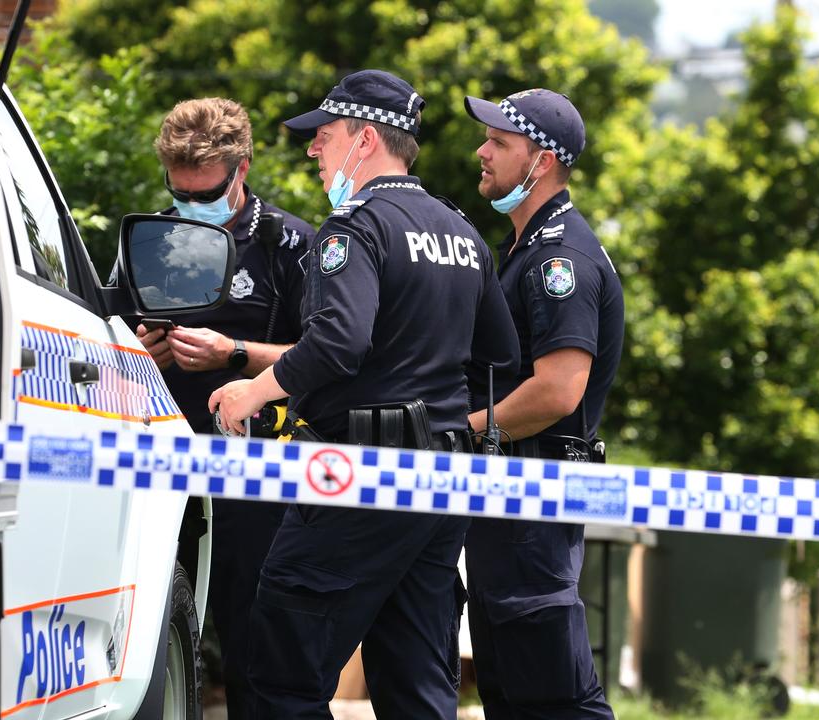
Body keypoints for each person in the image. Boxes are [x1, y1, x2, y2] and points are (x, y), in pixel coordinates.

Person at [209, 69, 519, 719]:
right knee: (416, 687)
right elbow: (501, 353)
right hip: (442, 480)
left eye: (324, 136)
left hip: (359, 478)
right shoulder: (462, 234)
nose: (313, 151)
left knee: (280, 680)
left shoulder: (356, 226)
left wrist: (251, 392)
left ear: (364, 139)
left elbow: (337, 344)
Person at [119, 97, 315, 719]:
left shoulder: (292, 243)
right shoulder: (147, 242)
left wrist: (234, 355)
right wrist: (139, 347)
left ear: (243, 169)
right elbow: (107, 339)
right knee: (160, 642)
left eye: (205, 194)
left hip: (258, 478)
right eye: (179, 193)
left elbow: (324, 356)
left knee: (258, 653)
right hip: (164, 470)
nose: (190, 207)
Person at [460, 88, 623, 719]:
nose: (483, 152)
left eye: (500, 143)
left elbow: (558, 390)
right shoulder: (528, 248)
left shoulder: (560, 258)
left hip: (534, 497)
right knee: (511, 694)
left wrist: (459, 431)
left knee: (555, 698)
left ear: (543, 161)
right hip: (511, 499)